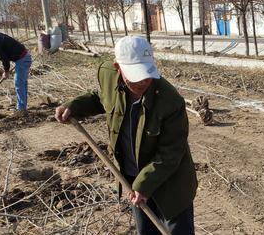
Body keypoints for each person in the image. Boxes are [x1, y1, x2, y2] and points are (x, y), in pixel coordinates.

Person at [55, 36, 197, 235]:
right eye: (135, 76)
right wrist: (74, 107)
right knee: (146, 232)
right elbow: (101, 97)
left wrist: (144, 186)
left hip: (171, 183)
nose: (143, 82)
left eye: (147, 74)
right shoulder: (107, 74)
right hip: (131, 176)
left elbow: (171, 153)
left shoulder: (170, 101)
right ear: (117, 67)